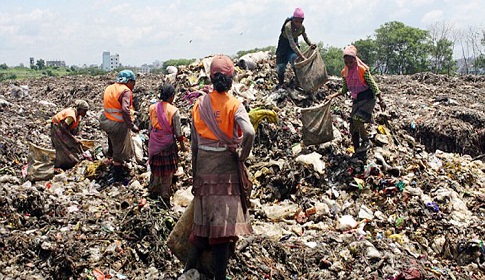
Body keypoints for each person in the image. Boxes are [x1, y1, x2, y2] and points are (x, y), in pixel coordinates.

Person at [185, 55, 255, 280]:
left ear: (212, 78)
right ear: (231, 78)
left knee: (203, 221)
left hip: (204, 167)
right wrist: (242, 154)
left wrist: (195, 173)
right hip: (225, 171)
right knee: (223, 226)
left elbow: (194, 145)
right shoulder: (235, 105)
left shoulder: (199, 104)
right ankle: (220, 277)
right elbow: (250, 132)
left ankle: (188, 270)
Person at [327, 45, 386, 154]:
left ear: (355, 60)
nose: (349, 65)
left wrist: (381, 100)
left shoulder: (362, 70)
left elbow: (373, 85)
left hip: (368, 98)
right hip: (357, 99)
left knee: (357, 119)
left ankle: (366, 141)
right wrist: (332, 96)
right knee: (353, 127)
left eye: (351, 62)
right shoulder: (345, 73)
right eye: (347, 62)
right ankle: (357, 151)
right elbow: (344, 89)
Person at [147, 83, 186, 207]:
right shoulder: (173, 111)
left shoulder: (152, 107)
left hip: (154, 143)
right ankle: (164, 197)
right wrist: (182, 146)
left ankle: (153, 191)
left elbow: (150, 127)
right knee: (168, 172)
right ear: (172, 96)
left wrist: (152, 140)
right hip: (167, 144)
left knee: (156, 169)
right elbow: (178, 132)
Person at [99, 69, 140, 182]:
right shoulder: (125, 91)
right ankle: (118, 177)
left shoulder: (110, 87)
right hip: (116, 124)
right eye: (133, 82)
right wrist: (131, 126)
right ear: (129, 81)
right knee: (119, 150)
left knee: (112, 143)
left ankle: (109, 157)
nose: (134, 85)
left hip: (106, 121)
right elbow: (125, 109)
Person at [275, 7, 316, 89]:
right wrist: (302, 56)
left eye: (300, 22)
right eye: (296, 21)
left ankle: (298, 82)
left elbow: (305, 37)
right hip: (284, 46)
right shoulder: (288, 26)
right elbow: (292, 44)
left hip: (292, 48)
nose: (298, 23)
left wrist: (311, 44)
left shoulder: (302, 28)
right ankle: (281, 83)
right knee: (281, 67)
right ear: (293, 19)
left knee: (295, 61)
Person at [50, 99, 89, 170]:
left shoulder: (78, 116)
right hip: (57, 128)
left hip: (63, 129)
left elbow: (73, 129)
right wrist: (73, 139)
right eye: (84, 111)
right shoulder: (71, 115)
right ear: (79, 109)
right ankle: (60, 164)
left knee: (70, 143)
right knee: (61, 146)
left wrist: (75, 137)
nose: (85, 113)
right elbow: (63, 127)